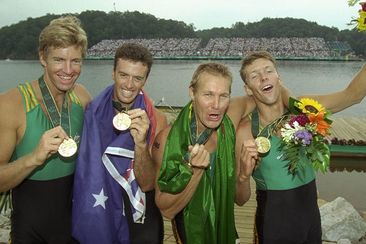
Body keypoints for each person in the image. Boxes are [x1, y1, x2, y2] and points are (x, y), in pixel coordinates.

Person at [235, 51, 366, 244]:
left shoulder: (304, 108)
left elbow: (353, 96)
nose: (264, 77)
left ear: (278, 77)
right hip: (274, 225)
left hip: (311, 220)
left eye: (268, 71)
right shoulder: (247, 131)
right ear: (248, 89)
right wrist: (244, 176)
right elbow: (240, 199)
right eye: (254, 76)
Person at [0, 15, 91, 243]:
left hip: (74, 227)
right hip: (30, 230)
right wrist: (34, 158)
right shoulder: (11, 105)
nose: (68, 70)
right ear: (43, 57)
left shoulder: (83, 98)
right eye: (59, 59)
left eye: (76, 61)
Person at [72, 43, 168, 244]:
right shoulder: (91, 110)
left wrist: (141, 145)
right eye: (124, 75)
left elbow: (149, 183)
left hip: (137, 209)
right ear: (113, 73)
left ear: (145, 80)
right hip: (101, 201)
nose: (129, 85)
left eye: (138, 78)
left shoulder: (156, 120)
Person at [153, 62, 248, 244]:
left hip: (225, 229)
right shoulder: (167, 140)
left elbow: (242, 200)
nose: (217, 105)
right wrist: (195, 171)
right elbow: (166, 209)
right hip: (191, 233)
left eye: (223, 96)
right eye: (208, 95)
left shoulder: (228, 128)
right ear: (192, 92)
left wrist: (243, 177)